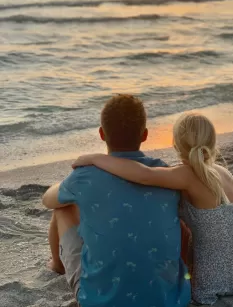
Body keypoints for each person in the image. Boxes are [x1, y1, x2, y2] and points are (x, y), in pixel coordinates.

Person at [73, 112, 233, 305]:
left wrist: (96, 159)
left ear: (176, 144)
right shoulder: (222, 172)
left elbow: (143, 174)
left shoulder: (186, 174)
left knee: (175, 216)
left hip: (221, 277)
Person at [42, 94, 191, 307]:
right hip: (169, 300)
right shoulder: (164, 173)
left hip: (100, 301)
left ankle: (58, 265)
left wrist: (71, 184)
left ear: (102, 134)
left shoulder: (86, 176)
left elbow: (48, 200)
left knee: (62, 209)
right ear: (145, 135)